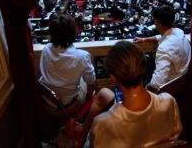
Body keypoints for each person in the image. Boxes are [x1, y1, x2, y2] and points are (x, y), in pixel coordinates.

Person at [88, 41, 182, 147]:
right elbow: (175, 136)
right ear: (144, 67)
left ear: (113, 78)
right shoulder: (168, 102)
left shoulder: (102, 124)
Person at [39, 14, 114, 142]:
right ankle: (83, 118)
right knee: (86, 81)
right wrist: (88, 98)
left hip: (47, 103)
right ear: (73, 33)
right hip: (68, 106)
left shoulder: (46, 49)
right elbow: (91, 83)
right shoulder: (82, 56)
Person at [134, 5, 191, 91]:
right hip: (184, 76)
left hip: (172, 85)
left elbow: (156, 84)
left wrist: (144, 91)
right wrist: (144, 39)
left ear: (157, 22)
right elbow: (164, 37)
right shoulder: (179, 32)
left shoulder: (164, 49)